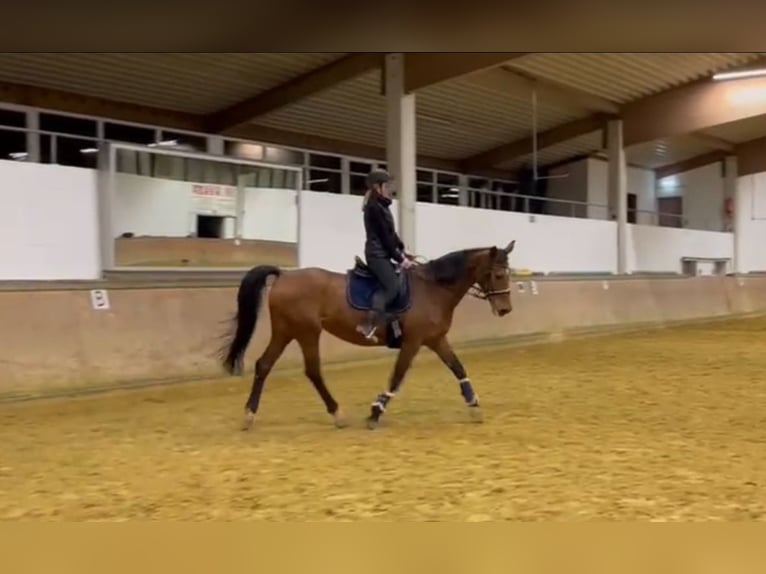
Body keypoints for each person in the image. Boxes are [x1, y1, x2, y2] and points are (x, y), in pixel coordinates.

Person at [356, 169, 414, 339]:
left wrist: (403, 249)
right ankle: (368, 323)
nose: (389, 189)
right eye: (387, 185)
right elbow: (384, 238)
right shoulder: (374, 207)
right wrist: (400, 259)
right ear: (377, 187)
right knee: (392, 286)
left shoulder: (382, 206)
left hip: (383, 252)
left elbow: (391, 234)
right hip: (376, 254)